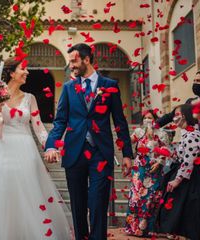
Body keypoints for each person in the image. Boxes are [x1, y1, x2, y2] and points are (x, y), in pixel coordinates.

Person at [0, 58, 73, 240]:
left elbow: (39, 127)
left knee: (29, 195)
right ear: (12, 73)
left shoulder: (30, 98)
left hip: (26, 151)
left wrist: (50, 146)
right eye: (23, 69)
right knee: (2, 193)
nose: (27, 72)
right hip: (1, 150)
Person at [44, 43, 133, 240]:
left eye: (74, 61)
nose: (71, 66)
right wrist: (51, 144)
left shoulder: (109, 85)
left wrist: (127, 153)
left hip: (100, 153)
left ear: (86, 59)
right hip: (74, 152)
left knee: (98, 202)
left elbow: (120, 121)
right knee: (78, 204)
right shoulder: (68, 88)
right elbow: (60, 121)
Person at [156, 104, 200, 240]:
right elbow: (182, 155)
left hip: (190, 179)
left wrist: (177, 179)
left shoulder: (193, 134)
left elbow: (189, 160)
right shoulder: (186, 132)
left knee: (186, 212)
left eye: (177, 115)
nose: (174, 118)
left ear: (185, 115)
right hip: (185, 175)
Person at [125, 110, 169, 237]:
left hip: (154, 168)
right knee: (136, 197)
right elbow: (128, 143)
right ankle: (133, 228)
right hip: (139, 168)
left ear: (155, 119)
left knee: (151, 197)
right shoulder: (139, 131)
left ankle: (147, 228)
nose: (147, 120)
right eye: (145, 118)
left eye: (150, 118)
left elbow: (166, 150)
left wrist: (160, 162)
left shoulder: (161, 133)